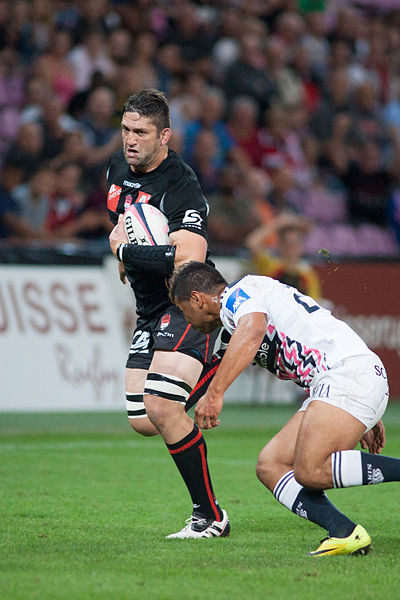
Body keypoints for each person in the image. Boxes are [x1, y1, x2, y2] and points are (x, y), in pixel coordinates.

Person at [169, 261, 396, 556]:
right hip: (346, 378)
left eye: (186, 312)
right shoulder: (246, 309)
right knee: (271, 464)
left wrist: (215, 394)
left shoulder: (239, 294)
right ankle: (344, 532)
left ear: (198, 299)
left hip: (346, 375)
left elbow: (253, 329)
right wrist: (366, 412)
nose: (189, 321)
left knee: (311, 469)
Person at [107, 89, 229, 539]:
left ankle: (210, 516)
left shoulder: (181, 184)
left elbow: (188, 260)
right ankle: (217, 368)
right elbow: (122, 224)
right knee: (142, 419)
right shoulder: (117, 170)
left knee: (163, 405)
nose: (130, 140)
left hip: (185, 303)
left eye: (141, 132)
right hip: (148, 307)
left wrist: (126, 251)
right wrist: (124, 254)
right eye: (125, 130)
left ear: (165, 135)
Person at [245, 212, 321, 300]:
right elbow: (252, 243)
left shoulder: (308, 276)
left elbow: (314, 304)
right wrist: (278, 223)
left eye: (295, 243)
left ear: (301, 246)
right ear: (279, 245)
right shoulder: (270, 265)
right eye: (286, 243)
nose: (291, 248)